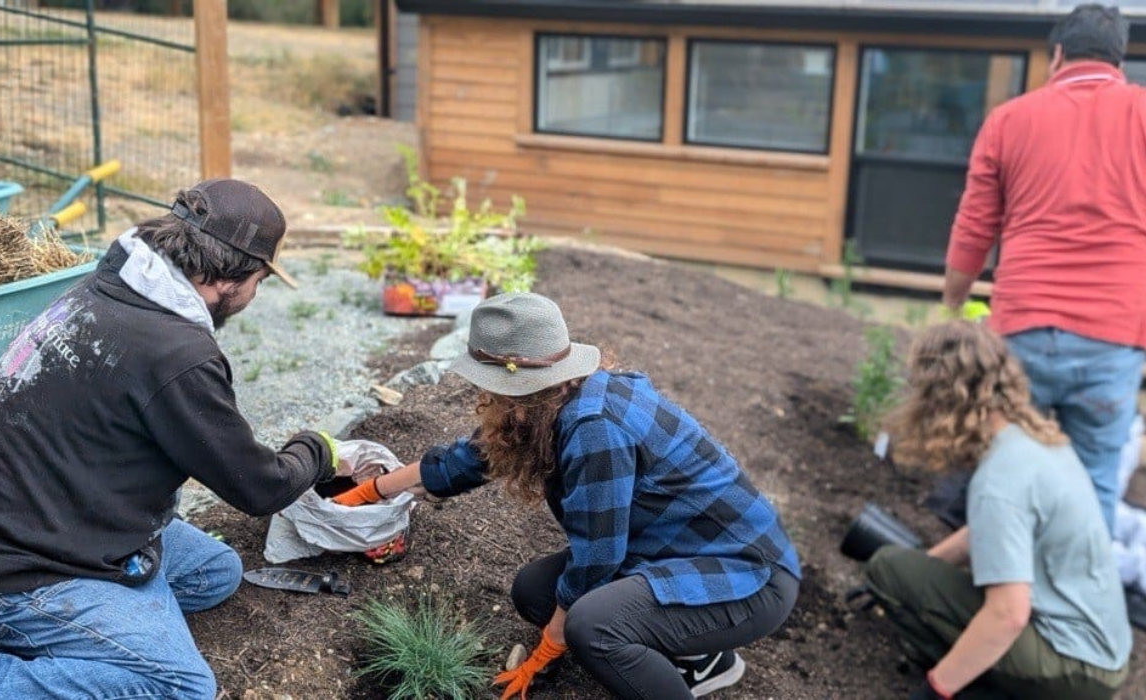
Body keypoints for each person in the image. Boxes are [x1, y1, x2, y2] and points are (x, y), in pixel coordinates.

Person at [0, 179, 342, 699]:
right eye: (260, 279)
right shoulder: (176, 354)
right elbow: (259, 487)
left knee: (215, 574)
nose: (256, 293)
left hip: (36, 513)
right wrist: (317, 450)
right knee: (179, 685)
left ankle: (78, 635)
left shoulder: (115, 285)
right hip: (2, 564)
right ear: (228, 278)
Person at [334, 292, 801, 700]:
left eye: (485, 381)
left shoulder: (596, 430)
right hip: (671, 549)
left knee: (591, 628)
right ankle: (701, 655)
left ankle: (688, 664)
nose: (481, 391)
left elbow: (598, 555)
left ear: (514, 385)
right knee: (533, 594)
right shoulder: (554, 398)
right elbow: (469, 460)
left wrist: (549, 647)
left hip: (745, 572)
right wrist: (371, 490)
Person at [942, 3, 1146, 534]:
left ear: (1057, 55)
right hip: (1113, 335)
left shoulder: (1010, 119)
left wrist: (953, 300)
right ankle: (1080, 585)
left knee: (1004, 470)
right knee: (1095, 482)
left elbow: (974, 225)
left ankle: (994, 573)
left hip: (1023, 327)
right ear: (1119, 60)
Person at [865, 321, 1130, 700]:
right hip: (1104, 657)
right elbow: (987, 533)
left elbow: (1008, 615)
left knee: (888, 568)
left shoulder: (999, 479)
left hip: (1071, 671)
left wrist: (936, 689)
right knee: (905, 569)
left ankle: (981, 687)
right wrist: (924, 567)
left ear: (943, 400)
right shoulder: (1037, 440)